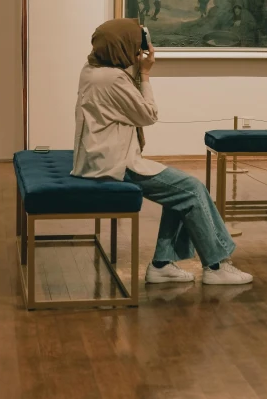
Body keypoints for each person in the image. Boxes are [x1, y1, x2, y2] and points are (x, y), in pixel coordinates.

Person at [72, 18, 252, 286]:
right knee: (192, 189)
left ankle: (162, 264)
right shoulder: (112, 79)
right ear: (121, 46)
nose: (140, 48)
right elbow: (148, 114)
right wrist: (145, 74)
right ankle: (215, 265)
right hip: (116, 164)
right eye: (135, 43)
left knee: (181, 192)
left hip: (98, 158)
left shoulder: (92, 68)